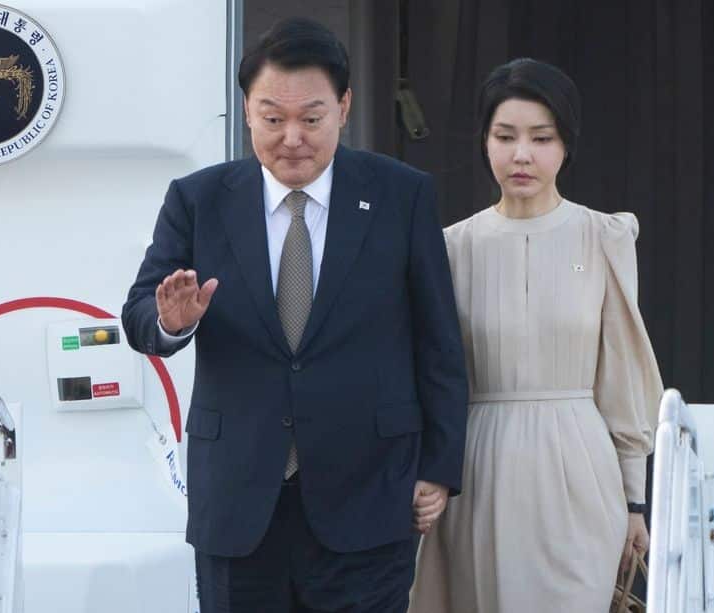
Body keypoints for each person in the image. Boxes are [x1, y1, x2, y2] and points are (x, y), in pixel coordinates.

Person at [121, 17, 468, 613]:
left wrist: (438, 467)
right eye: (272, 118)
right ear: (247, 111)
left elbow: (438, 342)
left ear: (344, 107)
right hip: (239, 501)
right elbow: (139, 316)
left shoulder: (400, 195)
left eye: (311, 119)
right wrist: (173, 321)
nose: (292, 139)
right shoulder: (200, 199)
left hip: (368, 495)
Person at [409, 58, 663, 612]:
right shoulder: (449, 248)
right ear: (485, 142)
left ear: (565, 146)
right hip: (480, 469)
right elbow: (427, 372)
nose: (521, 154)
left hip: (582, 468)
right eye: (505, 137)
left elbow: (621, 374)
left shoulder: (604, 236)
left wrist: (635, 501)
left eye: (541, 138)